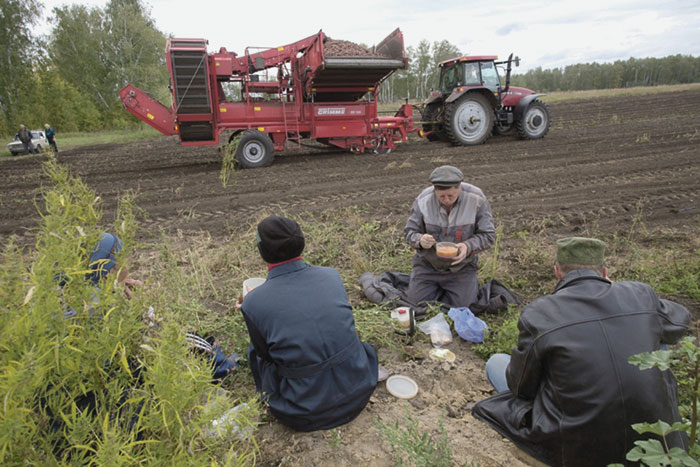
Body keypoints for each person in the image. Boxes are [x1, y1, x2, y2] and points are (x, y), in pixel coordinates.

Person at [472, 237, 691, 466]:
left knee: (496, 362)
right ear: (605, 271)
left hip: (578, 445)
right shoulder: (640, 294)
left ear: (558, 272)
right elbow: (680, 321)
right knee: (659, 338)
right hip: (658, 440)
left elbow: (520, 388)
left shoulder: (539, 313)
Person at [240, 215, 378, 432]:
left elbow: (265, 356)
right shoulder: (331, 275)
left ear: (262, 251)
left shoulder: (253, 302)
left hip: (304, 411)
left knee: (254, 350)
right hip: (360, 388)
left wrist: (252, 305)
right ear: (301, 243)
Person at [403, 165, 495, 308]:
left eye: (451, 195)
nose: (446, 200)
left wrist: (467, 246)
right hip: (428, 267)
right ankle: (433, 289)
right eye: (441, 196)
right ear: (435, 190)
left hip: (461, 268)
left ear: (459, 187)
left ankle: (454, 291)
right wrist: (420, 240)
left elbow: (488, 235)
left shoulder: (476, 199)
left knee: (466, 307)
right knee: (415, 307)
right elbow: (409, 232)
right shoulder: (423, 200)